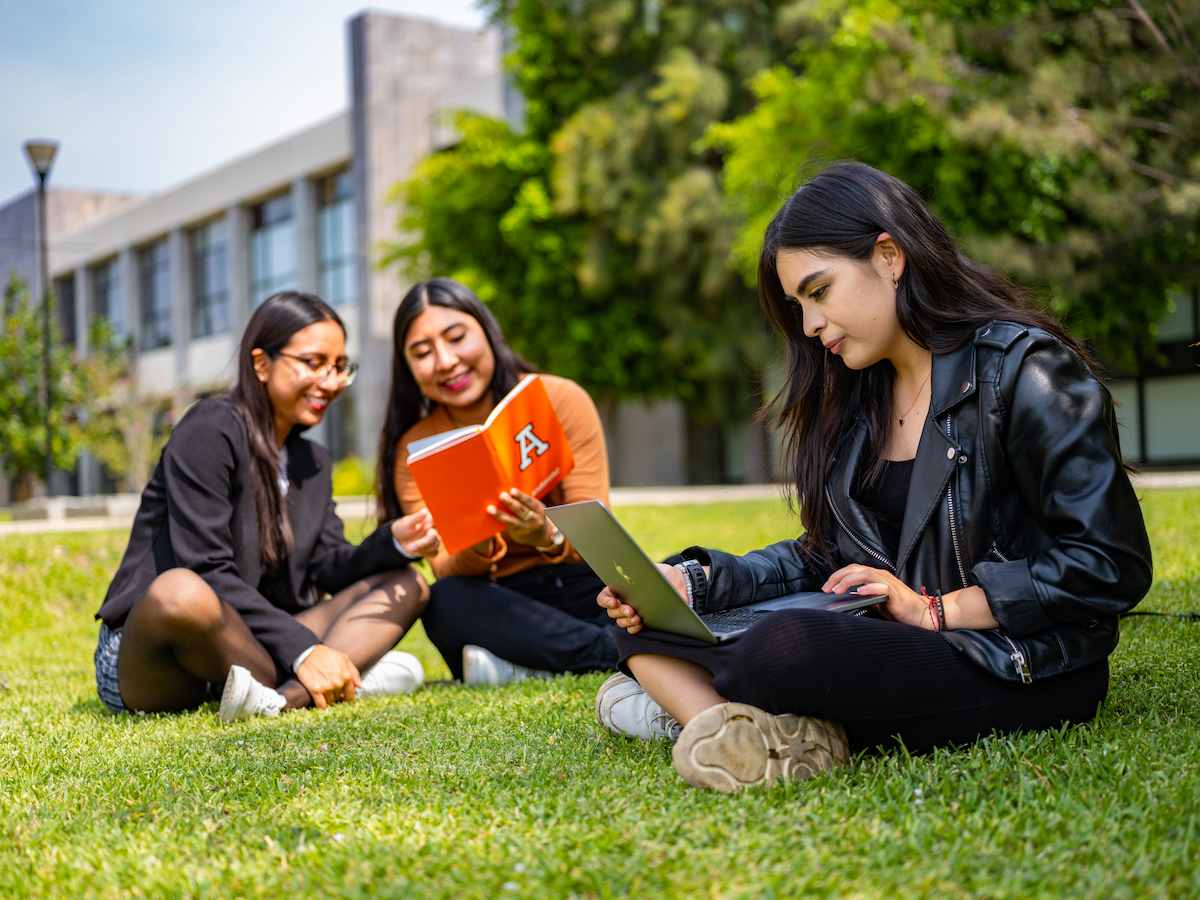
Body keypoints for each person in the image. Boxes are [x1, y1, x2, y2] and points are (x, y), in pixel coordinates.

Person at [593, 161, 1154, 792]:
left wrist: (935, 610)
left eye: (819, 292)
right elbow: (825, 557)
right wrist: (695, 584)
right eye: (798, 306)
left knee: (784, 649)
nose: (809, 325)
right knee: (646, 620)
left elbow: (1110, 564)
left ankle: (689, 711)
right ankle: (727, 733)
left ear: (889, 256)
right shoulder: (859, 399)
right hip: (887, 643)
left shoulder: (1024, 371)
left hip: (1014, 660)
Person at [94, 291, 439, 722]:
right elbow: (205, 567)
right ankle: (344, 673)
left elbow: (329, 566)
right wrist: (305, 650)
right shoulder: (210, 428)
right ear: (261, 364)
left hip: (253, 643)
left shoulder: (312, 461)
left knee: (408, 583)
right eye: (313, 363)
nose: (331, 381)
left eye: (339, 367)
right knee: (180, 591)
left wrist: (394, 543)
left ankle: (286, 697)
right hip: (163, 652)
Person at [378, 277, 617, 684]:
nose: (445, 361)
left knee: (680, 569)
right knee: (445, 602)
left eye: (457, 338)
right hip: (500, 599)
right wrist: (479, 533)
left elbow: (597, 536)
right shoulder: (414, 448)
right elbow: (446, 567)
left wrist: (545, 534)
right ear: (408, 368)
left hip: (582, 584)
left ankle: (525, 666)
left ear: (487, 332)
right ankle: (615, 652)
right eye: (422, 352)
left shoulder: (559, 398)